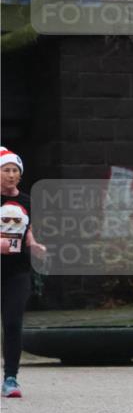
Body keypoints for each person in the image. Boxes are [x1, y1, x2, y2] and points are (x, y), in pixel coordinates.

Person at [1, 147, 46, 398]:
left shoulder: (27, 201)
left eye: (14, 171)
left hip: (16, 271)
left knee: (12, 322)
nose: (10, 175)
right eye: (5, 170)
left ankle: (10, 379)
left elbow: (26, 229)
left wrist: (34, 245)